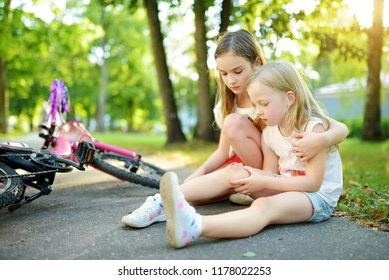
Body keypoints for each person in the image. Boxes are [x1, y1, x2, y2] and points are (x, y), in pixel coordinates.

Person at [121, 29, 348, 228]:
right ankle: (162, 202)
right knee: (207, 189)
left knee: (240, 183)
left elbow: (335, 127)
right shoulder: (233, 106)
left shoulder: (278, 95)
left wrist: (322, 140)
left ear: (257, 63)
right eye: (224, 73)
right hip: (263, 172)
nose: (230, 80)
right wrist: (190, 180)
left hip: (276, 177)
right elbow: (222, 153)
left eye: (238, 71)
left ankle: (184, 209)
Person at [159, 61, 344, 248]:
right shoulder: (269, 132)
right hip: (288, 188)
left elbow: (312, 183)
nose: (259, 111)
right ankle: (164, 201)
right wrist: (253, 178)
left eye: (264, 104)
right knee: (235, 171)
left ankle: (193, 227)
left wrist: (262, 182)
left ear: (289, 98)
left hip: (316, 198)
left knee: (263, 206)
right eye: (255, 104)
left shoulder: (312, 129)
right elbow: (270, 172)